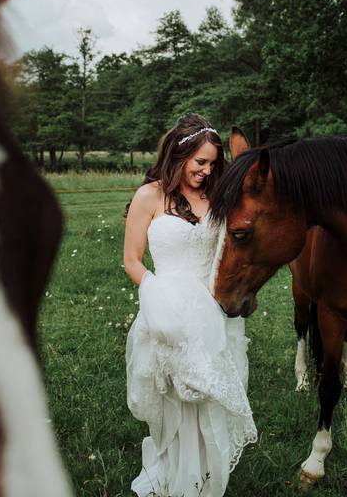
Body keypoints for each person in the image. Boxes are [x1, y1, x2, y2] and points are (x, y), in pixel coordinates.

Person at [123, 114, 257, 497]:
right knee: (177, 399)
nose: (206, 171)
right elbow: (132, 260)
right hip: (168, 306)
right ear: (179, 156)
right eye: (200, 162)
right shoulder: (149, 196)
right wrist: (157, 296)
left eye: (213, 164)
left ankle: (208, 478)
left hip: (213, 310)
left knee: (210, 396)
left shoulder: (218, 198)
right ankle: (176, 472)